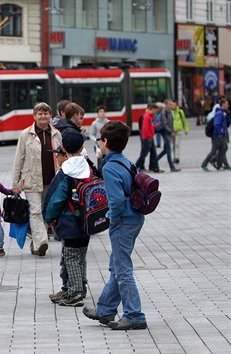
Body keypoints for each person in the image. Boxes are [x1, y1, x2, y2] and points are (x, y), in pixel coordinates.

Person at [83, 121, 147, 330]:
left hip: (123, 221)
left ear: (106, 141)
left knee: (123, 270)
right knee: (117, 266)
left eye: (100, 139)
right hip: (135, 218)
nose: (98, 143)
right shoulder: (125, 161)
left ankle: (134, 315)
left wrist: (112, 218)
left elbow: (117, 201)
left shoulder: (110, 167)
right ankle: (105, 309)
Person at [43, 130, 90, 307]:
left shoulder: (66, 172)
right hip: (87, 221)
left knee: (70, 257)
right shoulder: (88, 168)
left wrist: (49, 217)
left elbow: (55, 199)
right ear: (82, 147)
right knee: (81, 257)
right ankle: (78, 287)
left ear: (63, 148)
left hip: (70, 223)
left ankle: (75, 293)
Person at [11, 102, 62, 256]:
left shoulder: (56, 134)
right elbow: (18, 159)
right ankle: (41, 242)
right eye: (40, 113)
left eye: (46, 113)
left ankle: (36, 242)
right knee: (35, 211)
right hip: (31, 180)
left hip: (52, 180)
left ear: (50, 116)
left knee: (46, 212)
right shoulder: (25, 134)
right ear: (34, 116)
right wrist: (15, 183)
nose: (43, 116)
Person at [201, 98, 230, 171]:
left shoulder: (224, 112)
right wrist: (220, 132)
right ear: (223, 104)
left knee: (223, 149)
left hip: (222, 134)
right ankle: (204, 164)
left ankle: (223, 165)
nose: (228, 105)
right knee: (213, 151)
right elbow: (216, 124)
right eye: (227, 104)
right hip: (217, 135)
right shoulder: (220, 113)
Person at [135, 102, 162, 173]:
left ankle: (155, 168)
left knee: (153, 152)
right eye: (155, 110)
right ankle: (135, 167)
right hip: (148, 138)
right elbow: (145, 129)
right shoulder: (146, 117)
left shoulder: (149, 116)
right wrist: (148, 137)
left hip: (149, 137)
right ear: (152, 109)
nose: (156, 112)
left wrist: (155, 125)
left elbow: (150, 127)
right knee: (144, 154)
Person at [156, 100, 180, 172]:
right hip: (165, 133)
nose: (171, 105)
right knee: (168, 150)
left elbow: (171, 123)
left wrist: (172, 131)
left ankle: (154, 160)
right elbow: (164, 124)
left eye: (171, 104)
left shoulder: (169, 112)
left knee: (165, 150)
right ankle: (172, 167)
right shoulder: (164, 112)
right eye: (170, 104)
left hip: (169, 133)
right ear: (166, 104)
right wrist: (170, 132)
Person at [88, 106, 109, 172]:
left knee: (108, 161)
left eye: (104, 112)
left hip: (108, 145)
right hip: (98, 146)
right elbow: (91, 135)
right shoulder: (94, 123)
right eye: (100, 112)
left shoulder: (108, 122)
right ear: (97, 113)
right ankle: (100, 176)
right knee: (100, 162)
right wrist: (97, 140)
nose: (102, 113)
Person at [171, 98, 189, 165]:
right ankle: (174, 156)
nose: (173, 106)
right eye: (172, 105)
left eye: (174, 105)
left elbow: (184, 121)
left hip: (178, 130)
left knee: (177, 144)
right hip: (172, 131)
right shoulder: (170, 112)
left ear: (176, 105)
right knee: (173, 145)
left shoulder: (180, 112)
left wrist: (186, 129)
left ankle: (177, 157)